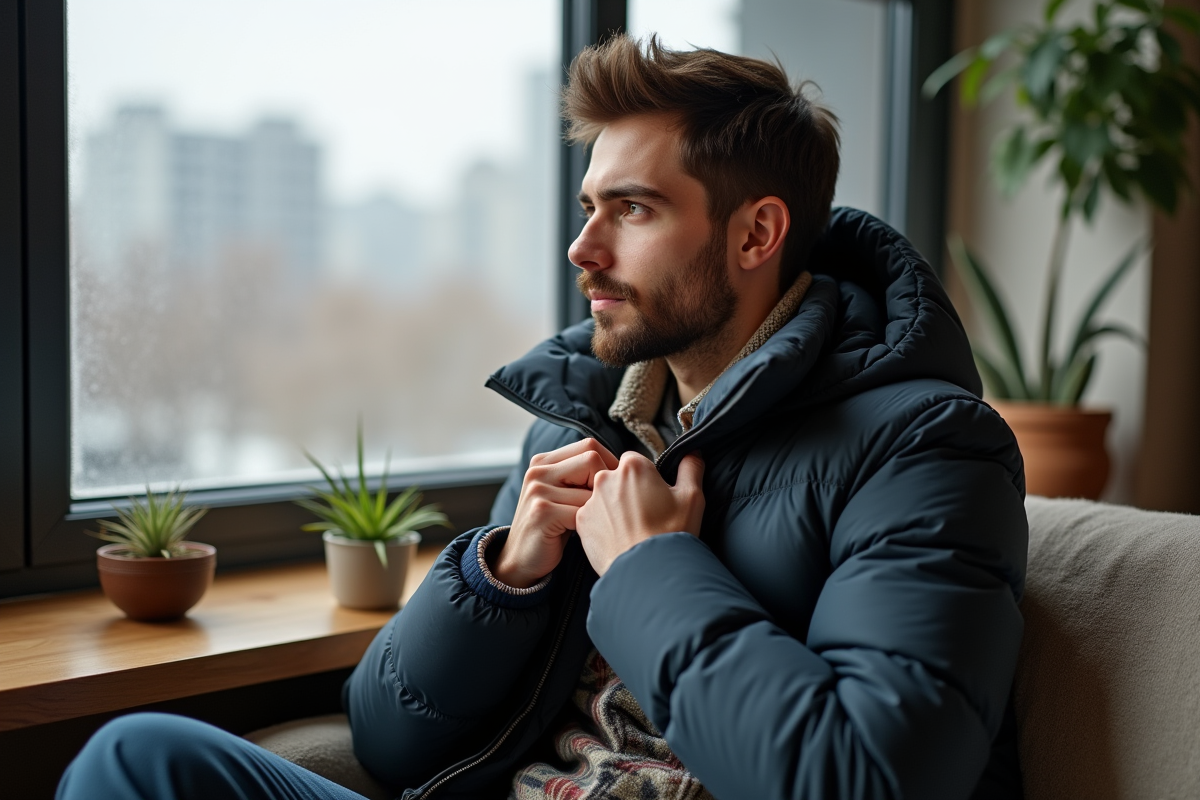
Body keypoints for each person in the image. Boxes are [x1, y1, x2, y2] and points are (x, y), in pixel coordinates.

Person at [58, 35, 1027, 800]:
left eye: (632, 210)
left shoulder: (925, 447)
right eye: (586, 206)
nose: (581, 246)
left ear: (756, 233)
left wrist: (654, 570)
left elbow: (866, 778)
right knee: (139, 759)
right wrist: (503, 574)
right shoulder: (579, 422)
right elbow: (388, 742)